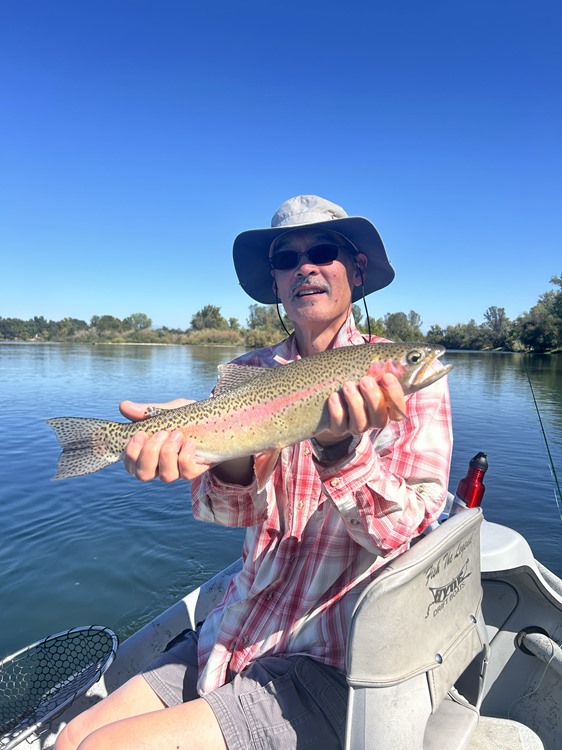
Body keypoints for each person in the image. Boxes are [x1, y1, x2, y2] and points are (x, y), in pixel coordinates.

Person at [55, 195, 452, 750]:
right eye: (287, 258)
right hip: (235, 629)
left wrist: (339, 451)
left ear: (356, 269)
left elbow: (400, 536)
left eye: (323, 250)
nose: (305, 266)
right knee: (76, 735)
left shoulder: (412, 385)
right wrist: (217, 447)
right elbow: (227, 512)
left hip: (328, 659)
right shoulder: (247, 373)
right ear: (276, 281)